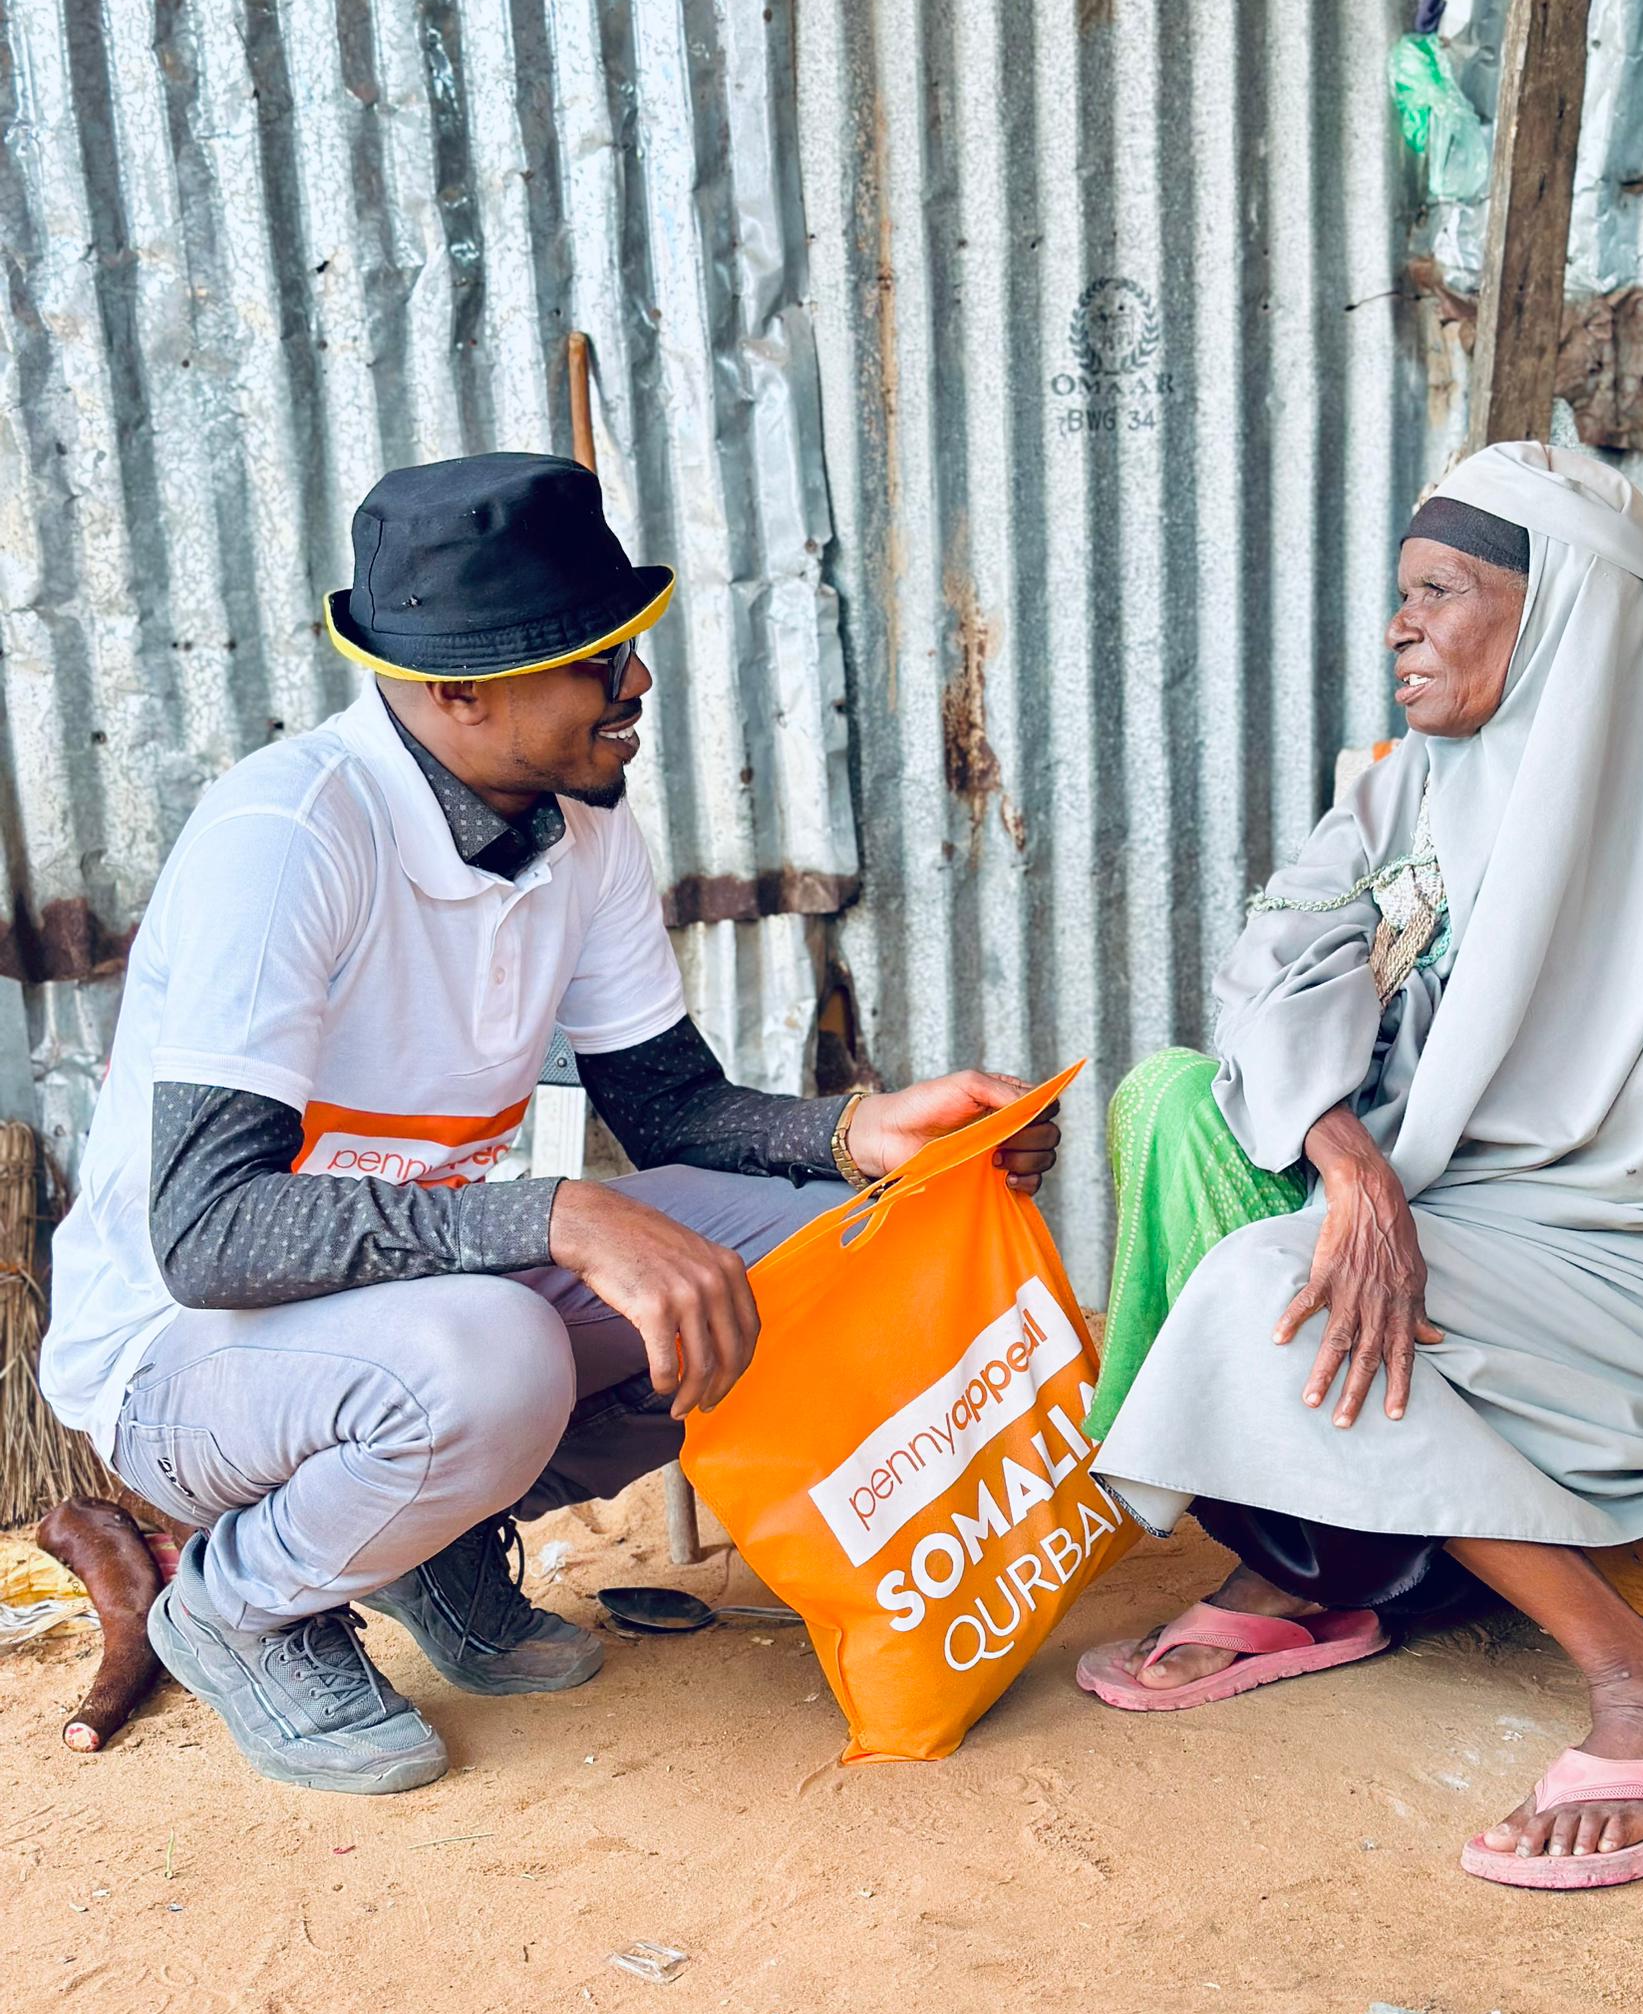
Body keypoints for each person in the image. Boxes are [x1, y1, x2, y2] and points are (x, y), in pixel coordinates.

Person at [40, 452, 1058, 1794]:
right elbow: (211, 1235)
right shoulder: (288, 837)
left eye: (625, 647)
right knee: (497, 1353)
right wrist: (562, 1214)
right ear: (459, 690)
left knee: (824, 1254)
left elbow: (671, 1107)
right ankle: (240, 1606)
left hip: (401, 1308)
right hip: (184, 1361)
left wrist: (860, 1135)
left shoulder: (580, 826)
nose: (636, 684)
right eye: (595, 660)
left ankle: (425, 1540)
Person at [1077, 442, 1643, 1889]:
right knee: (1178, 1106)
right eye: (1402, 594)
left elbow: (1636, 1147)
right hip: (1478, 1215)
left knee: (1270, 1288)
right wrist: (1352, 1162)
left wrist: (1396, 1175)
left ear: (1561, 609)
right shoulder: (1417, 785)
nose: (1399, 627)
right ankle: (1319, 1570)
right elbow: (1272, 962)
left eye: (1440, 591)